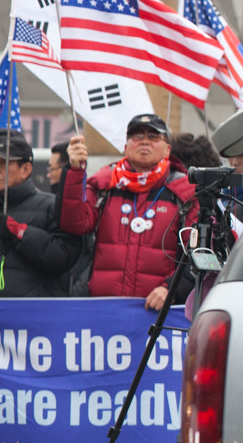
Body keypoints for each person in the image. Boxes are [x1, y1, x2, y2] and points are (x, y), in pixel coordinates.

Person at [60, 114, 197, 310]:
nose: (144, 142)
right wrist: (75, 170)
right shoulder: (105, 184)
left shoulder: (185, 192)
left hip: (156, 314)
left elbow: (198, 254)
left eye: (153, 137)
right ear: (126, 147)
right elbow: (75, 223)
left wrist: (172, 289)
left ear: (167, 149)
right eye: (137, 136)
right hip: (104, 310)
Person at [0, 129, 80, 304]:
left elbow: (62, 259)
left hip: (35, 323)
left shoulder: (51, 207)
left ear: (25, 170)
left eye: (2, 163)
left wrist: (19, 232)